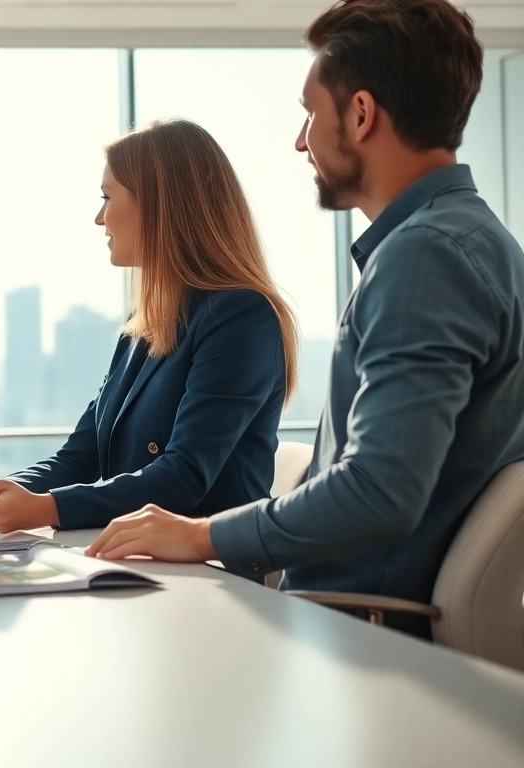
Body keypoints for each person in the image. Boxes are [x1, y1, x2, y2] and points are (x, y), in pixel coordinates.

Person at [85, 0, 524, 640]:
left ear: (362, 114)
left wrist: (202, 534)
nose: (301, 140)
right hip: (343, 624)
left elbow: (379, 489)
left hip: (357, 637)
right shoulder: (474, 242)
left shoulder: (424, 258)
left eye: (310, 114)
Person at [0, 119, 299, 536]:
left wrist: (44, 510)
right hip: (138, 562)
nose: (99, 218)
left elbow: (183, 476)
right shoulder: (144, 326)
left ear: (157, 205)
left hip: (208, 575)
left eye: (107, 197)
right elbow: (80, 457)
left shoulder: (240, 316)